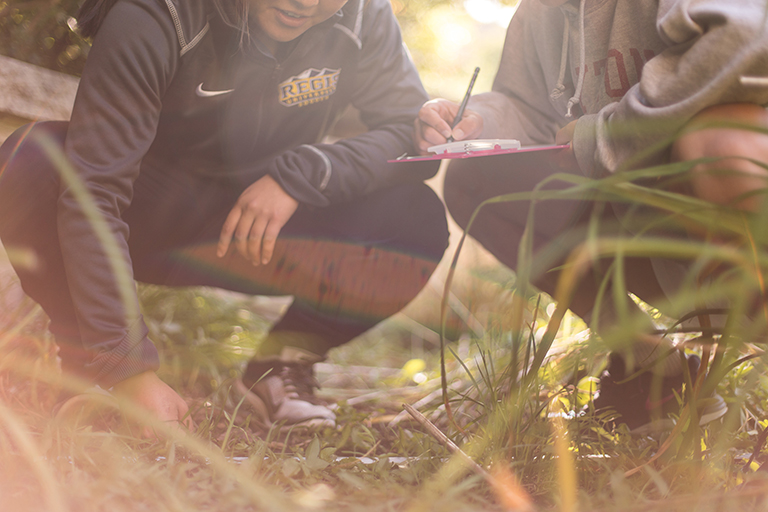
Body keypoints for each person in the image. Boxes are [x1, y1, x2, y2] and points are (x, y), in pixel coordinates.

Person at [0, 0, 449, 432]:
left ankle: (280, 366)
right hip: (145, 213)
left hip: (258, 229)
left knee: (415, 220)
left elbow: (412, 138)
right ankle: (90, 365)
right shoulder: (157, 13)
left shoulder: (364, 15)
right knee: (30, 162)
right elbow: (94, 190)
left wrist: (303, 176)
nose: (305, 2)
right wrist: (127, 365)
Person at [414, 0, 768, 433]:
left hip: (735, 219)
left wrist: (600, 134)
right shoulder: (541, 12)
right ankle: (654, 369)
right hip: (647, 228)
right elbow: (527, 107)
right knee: (477, 179)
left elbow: (745, 41)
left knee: (722, 143)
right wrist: (476, 118)